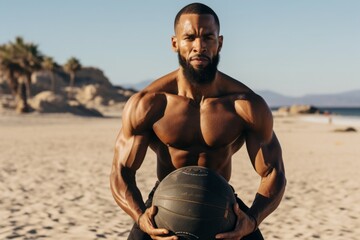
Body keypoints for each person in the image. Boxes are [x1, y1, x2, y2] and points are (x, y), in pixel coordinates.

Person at [110, 3, 286, 240]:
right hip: (164, 204)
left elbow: (274, 171)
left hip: (223, 205)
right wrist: (140, 215)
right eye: (189, 37)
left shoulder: (245, 105)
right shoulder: (149, 104)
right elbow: (121, 170)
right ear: (175, 43)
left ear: (219, 42)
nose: (199, 46)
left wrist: (252, 219)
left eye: (208, 37)